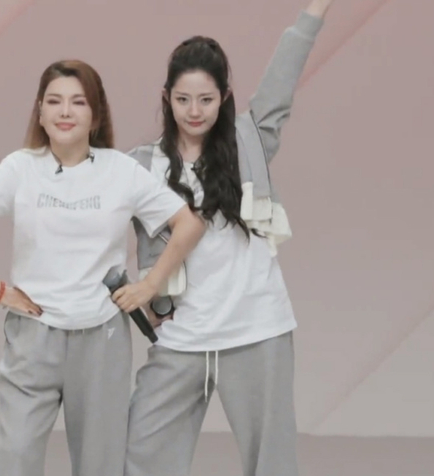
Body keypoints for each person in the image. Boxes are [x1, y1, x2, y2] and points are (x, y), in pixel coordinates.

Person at [0, 59, 205, 476]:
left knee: (99, 464)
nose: (65, 112)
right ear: (40, 112)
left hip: (102, 338)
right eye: (54, 102)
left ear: (96, 115)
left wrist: (149, 286)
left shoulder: (120, 170)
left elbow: (188, 223)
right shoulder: (21, 167)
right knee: (15, 459)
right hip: (33, 338)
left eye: (78, 102)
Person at [124, 1, 335, 475]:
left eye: (206, 99)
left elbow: (284, 74)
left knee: (272, 464)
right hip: (181, 337)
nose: (194, 111)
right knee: (141, 456)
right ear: (166, 97)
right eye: (183, 99)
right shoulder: (142, 165)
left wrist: (316, 9)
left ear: (225, 97)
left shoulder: (250, 143)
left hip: (257, 331)